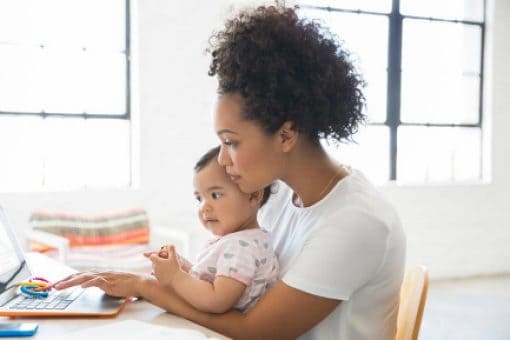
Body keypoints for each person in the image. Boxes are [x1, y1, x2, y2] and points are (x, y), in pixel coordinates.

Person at [53, 4, 406, 340]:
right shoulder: (280, 196)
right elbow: (247, 284)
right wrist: (174, 276)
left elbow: (256, 332)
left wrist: (146, 287)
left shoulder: (355, 222)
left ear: (286, 134)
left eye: (231, 142)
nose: (222, 160)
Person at [144, 146, 278, 314]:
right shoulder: (247, 239)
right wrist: (181, 266)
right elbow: (213, 279)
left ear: (253, 195)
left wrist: (175, 276)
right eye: (199, 198)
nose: (204, 207)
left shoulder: (240, 246)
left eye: (215, 195)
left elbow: (217, 300)